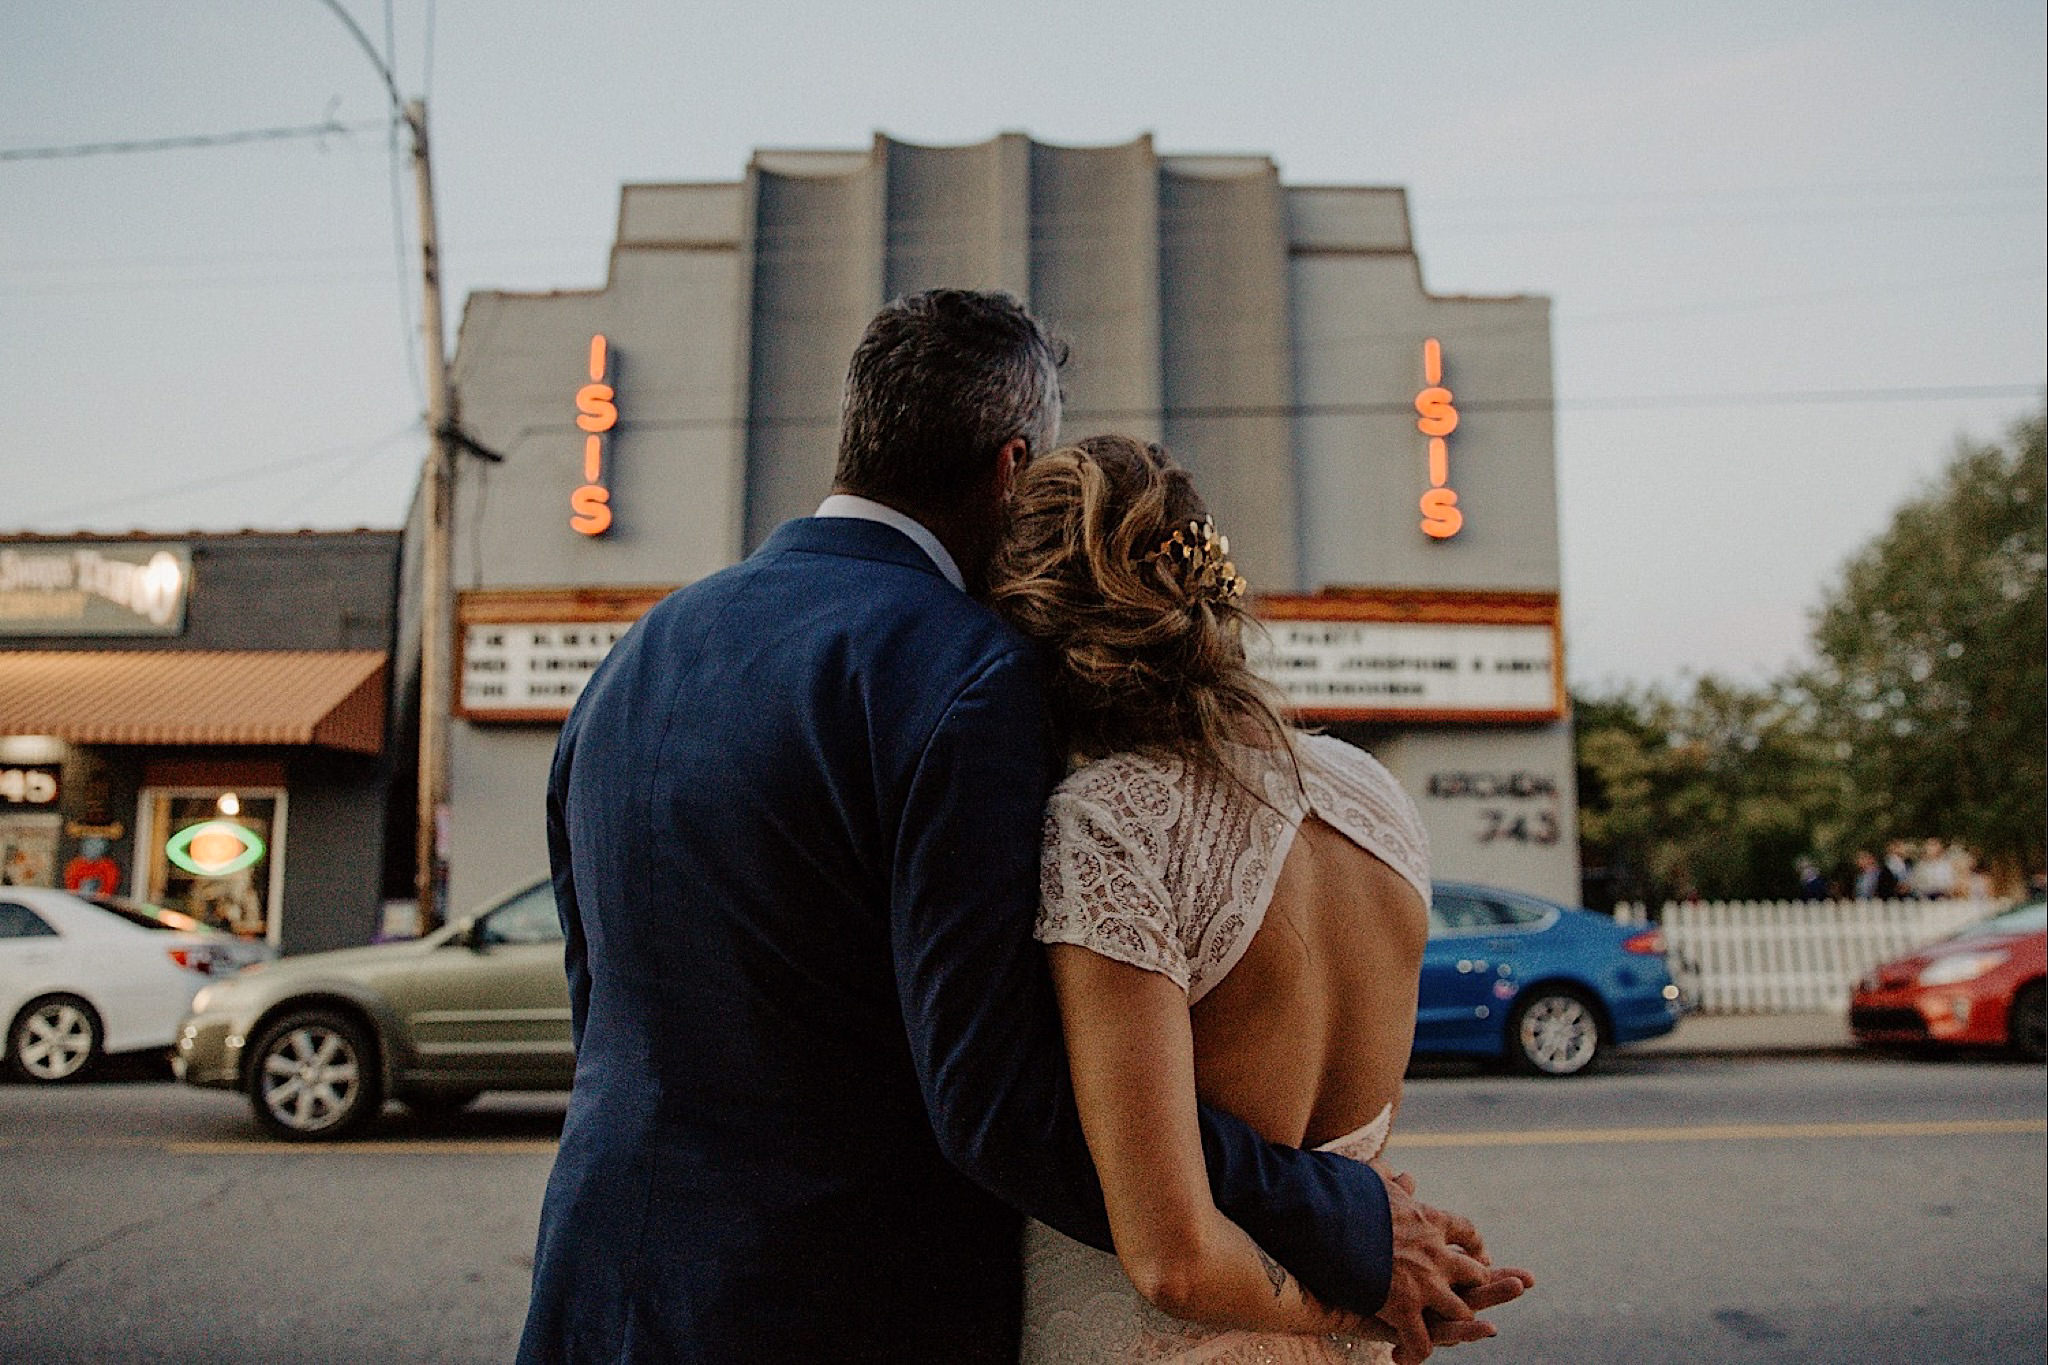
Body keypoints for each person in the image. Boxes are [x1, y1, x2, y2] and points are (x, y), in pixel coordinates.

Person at [518, 290, 1519, 1364]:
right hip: (834, 1309)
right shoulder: (959, 671)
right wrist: (1347, 1218)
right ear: (1009, 468)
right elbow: (1001, 1097)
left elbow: (606, 1011)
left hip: (597, 1288)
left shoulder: (636, 655)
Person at [988, 436, 1531, 1363]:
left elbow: (1175, 1265)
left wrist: (1356, 1306)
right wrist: (1371, 1270)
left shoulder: (1112, 823)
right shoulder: (1372, 796)